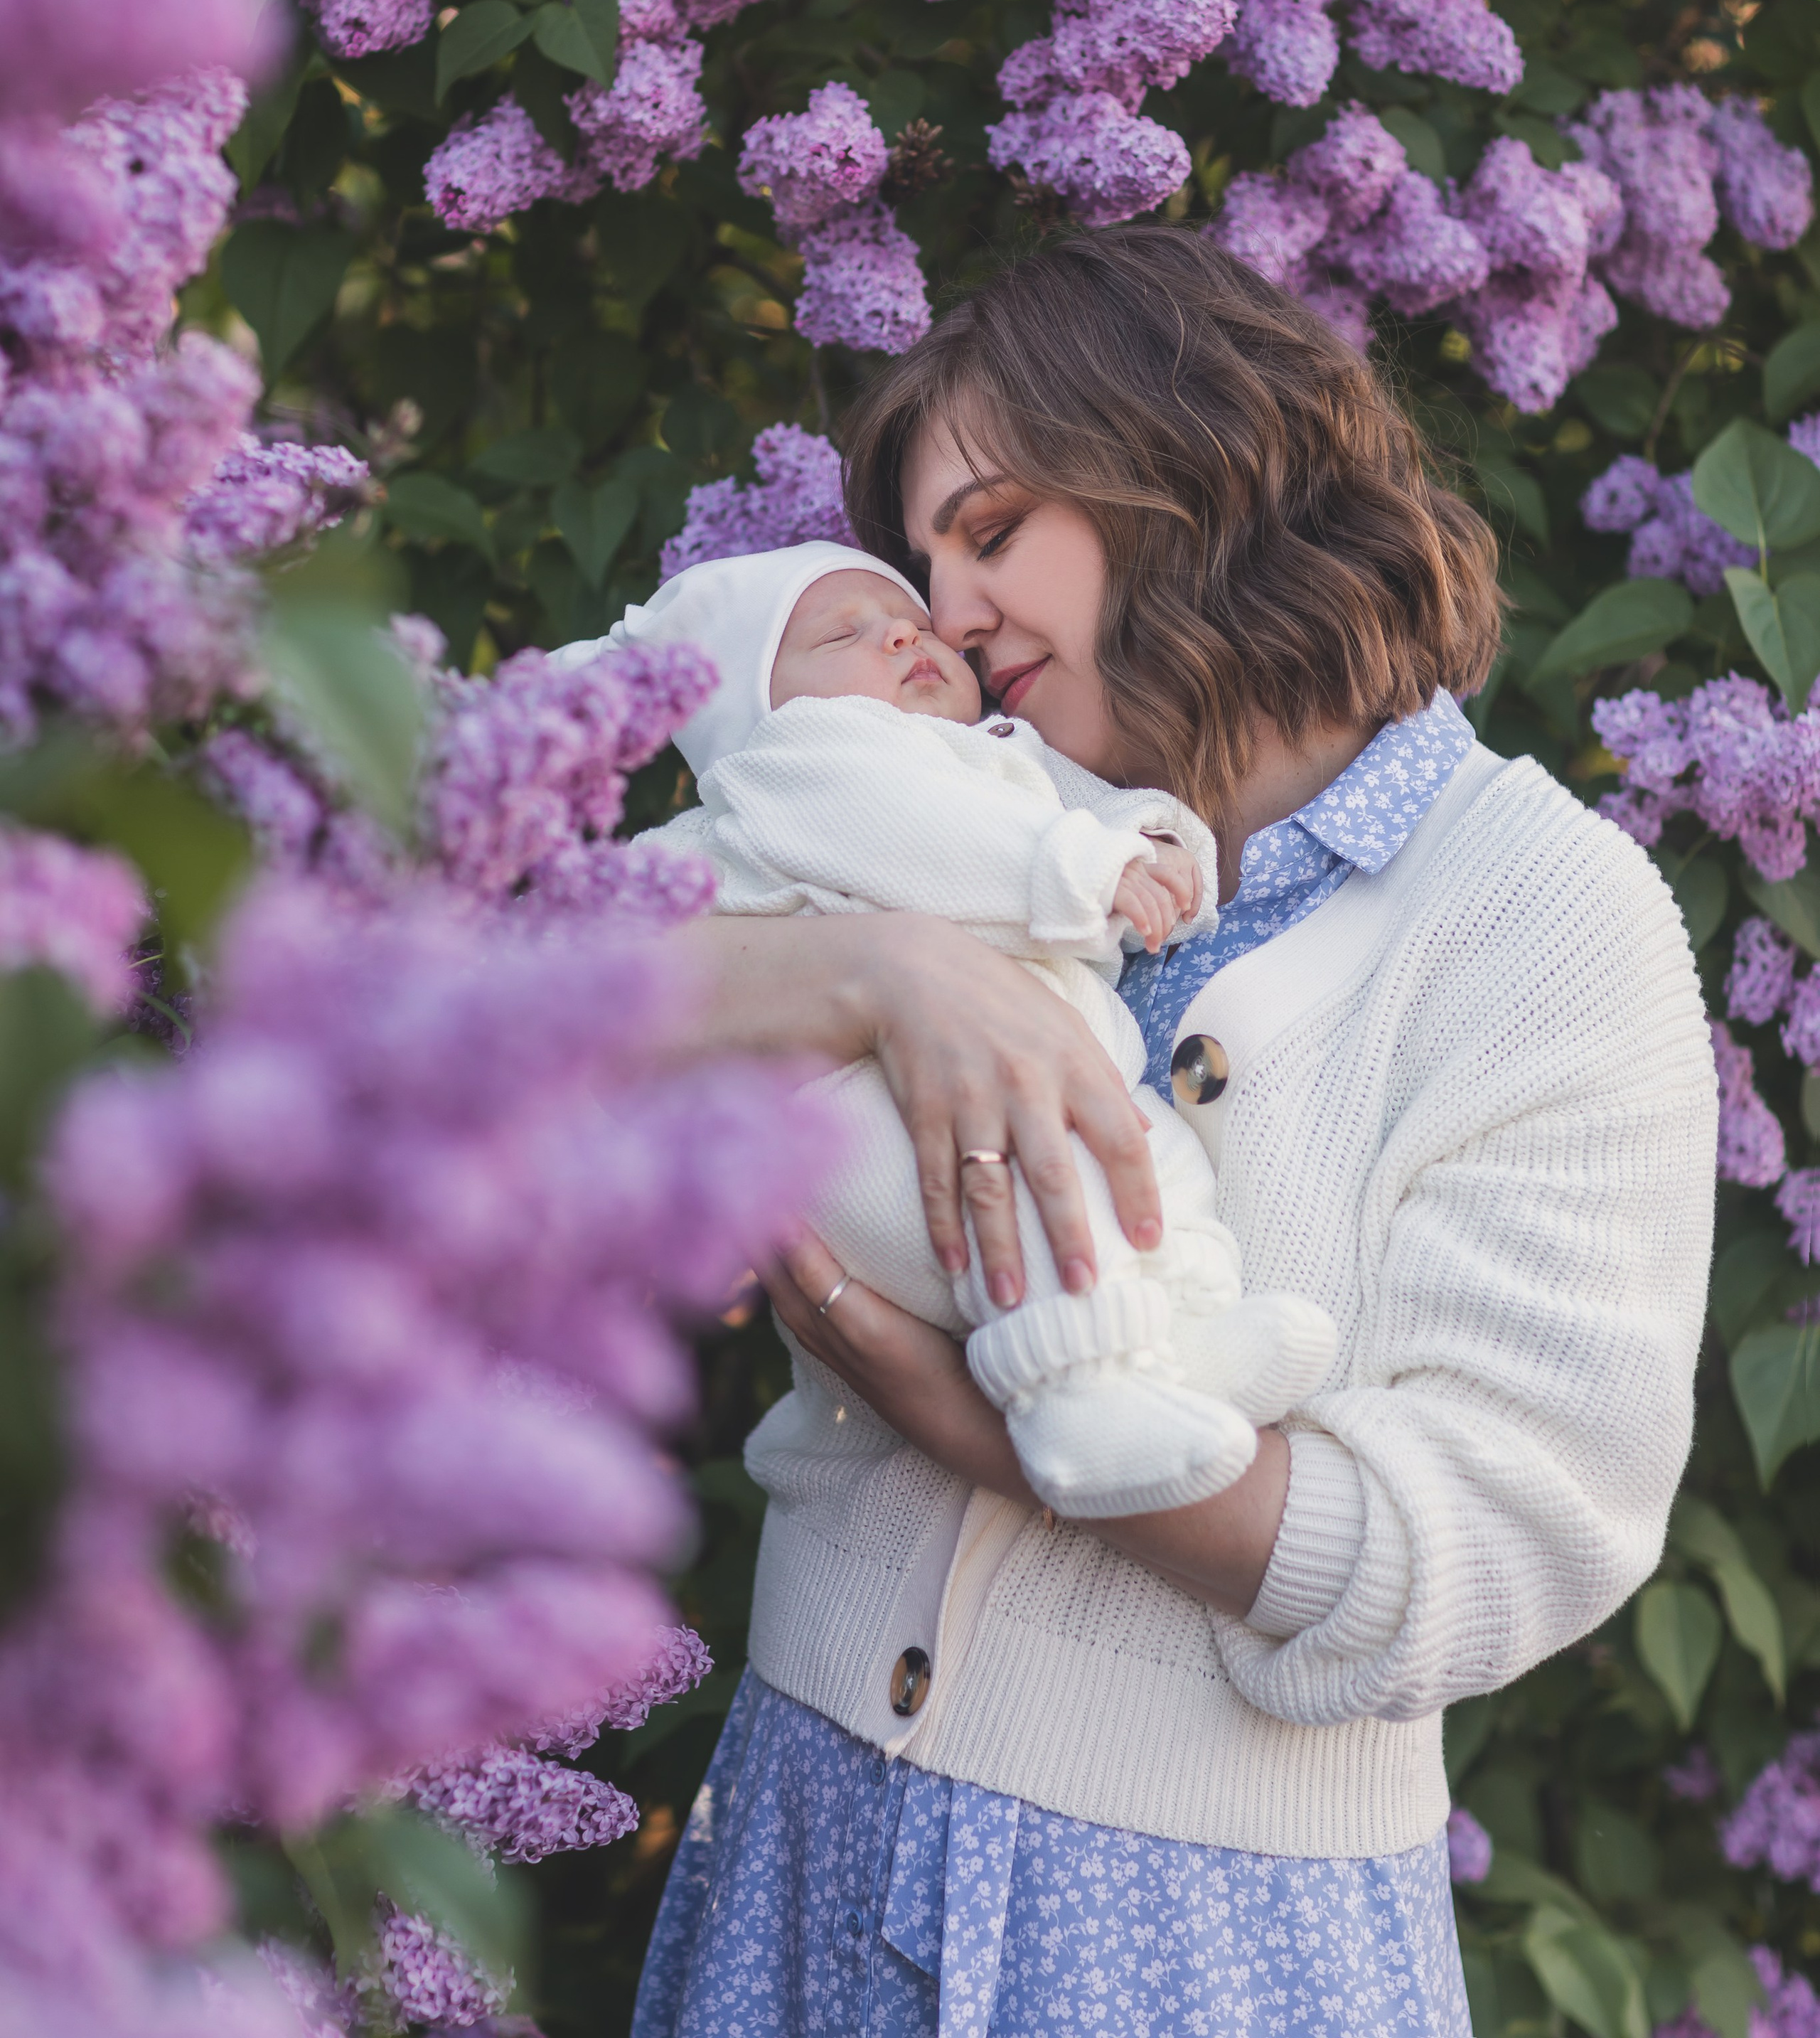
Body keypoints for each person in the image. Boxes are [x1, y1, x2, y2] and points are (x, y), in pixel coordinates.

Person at [633, 230, 1718, 2038]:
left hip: (1196, 1946)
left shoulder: (1539, 913)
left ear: (1191, 474)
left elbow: (1515, 1534)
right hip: (809, 1838)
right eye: (924, 561)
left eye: (990, 531)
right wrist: (880, 969)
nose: (947, 613)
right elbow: (543, 992)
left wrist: (1002, 1436)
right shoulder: (944, 805)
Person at [601, 538, 1336, 1520]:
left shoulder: (995, 757)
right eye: (842, 632)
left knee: (1151, 1162)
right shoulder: (799, 768)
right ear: (761, 709)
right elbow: (922, 838)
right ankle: (1079, 1398)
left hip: (1048, 1069)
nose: (902, 627)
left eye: (901, 612)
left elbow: (1094, 812)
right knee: (1044, 1188)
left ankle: (1186, 1333)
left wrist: (1160, 842)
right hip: (882, 1121)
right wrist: (1084, 870)